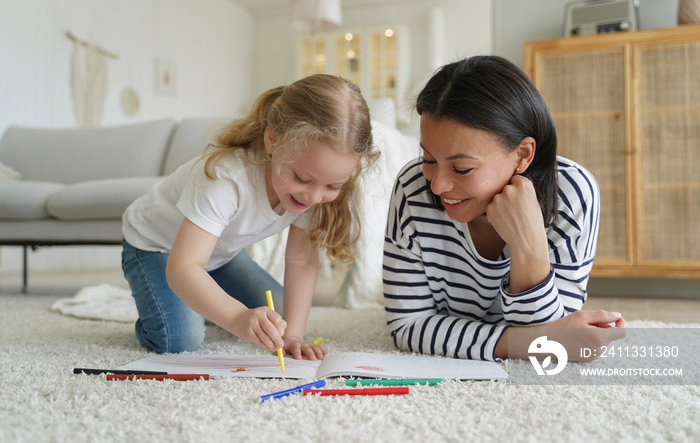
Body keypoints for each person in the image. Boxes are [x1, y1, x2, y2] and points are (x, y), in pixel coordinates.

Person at [382, 56, 625, 362]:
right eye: (429, 159)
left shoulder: (573, 194)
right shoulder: (411, 188)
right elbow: (407, 326)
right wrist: (528, 343)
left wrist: (528, 244)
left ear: (522, 155)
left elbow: (551, 336)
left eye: (461, 168)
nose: (437, 186)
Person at [122, 74, 377, 359]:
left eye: (333, 186)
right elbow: (183, 267)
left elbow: (301, 260)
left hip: (221, 256)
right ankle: (169, 312)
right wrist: (235, 318)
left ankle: (203, 301)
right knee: (181, 338)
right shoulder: (225, 178)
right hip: (156, 247)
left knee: (279, 319)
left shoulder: (313, 185)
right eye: (302, 178)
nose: (314, 197)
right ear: (272, 140)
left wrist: (293, 335)